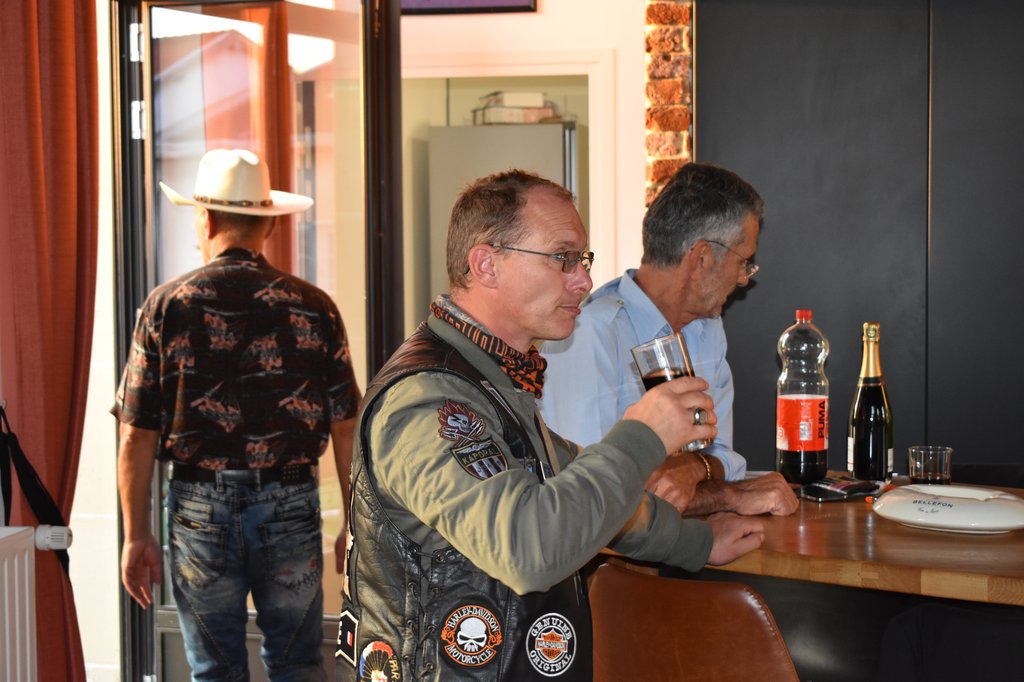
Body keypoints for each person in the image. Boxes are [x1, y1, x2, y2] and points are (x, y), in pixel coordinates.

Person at [336, 169, 765, 681]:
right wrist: (644, 434)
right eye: (563, 258)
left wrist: (698, 542)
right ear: (486, 264)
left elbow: (579, 491)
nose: (584, 281)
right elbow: (527, 548)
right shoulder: (428, 398)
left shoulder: (493, 379)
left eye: (583, 260)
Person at [113, 149, 361, 681]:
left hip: (198, 505)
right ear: (268, 226)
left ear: (204, 219)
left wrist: (136, 534)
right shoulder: (314, 306)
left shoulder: (166, 306)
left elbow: (135, 434)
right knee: (297, 665)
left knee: (214, 670)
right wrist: (353, 521)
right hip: (290, 501)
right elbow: (346, 426)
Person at [539, 162, 798, 517]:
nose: (743, 279)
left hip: (688, 541)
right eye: (744, 262)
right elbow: (590, 498)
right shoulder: (587, 335)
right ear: (702, 258)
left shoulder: (706, 330)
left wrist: (693, 468)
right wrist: (728, 496)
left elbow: (722, 454)